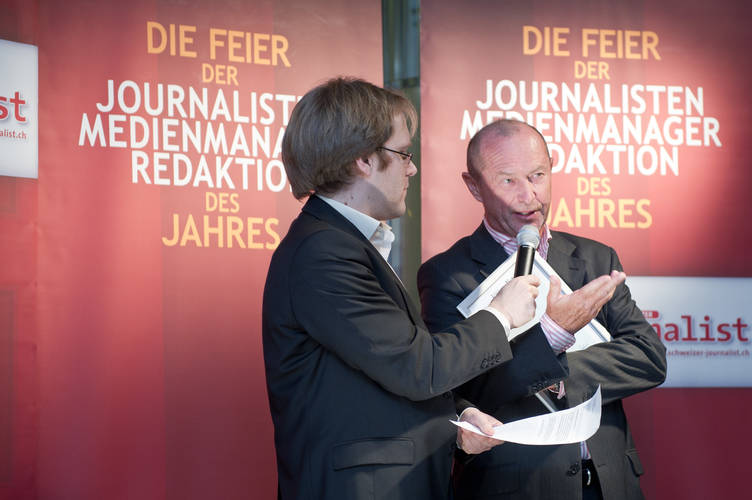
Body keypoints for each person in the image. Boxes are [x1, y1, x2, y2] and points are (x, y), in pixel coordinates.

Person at [262, 79, 543, 500]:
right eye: (403, 154)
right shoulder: (324, 251)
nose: (411, 169)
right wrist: (502, 314)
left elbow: (385, 372)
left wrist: (458, 418)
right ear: (363, 160)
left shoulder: (343, 243)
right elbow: (418, 367)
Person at [418, 119, 667, 500]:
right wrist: (550, 336)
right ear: (474, 186)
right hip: (516, 487)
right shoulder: (448, 275)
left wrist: (557, 373)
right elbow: (458, 391)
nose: (529, 196)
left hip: (610, 483)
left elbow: (648, 358)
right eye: (508, 181)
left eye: (537, 175)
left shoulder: (595, 258)